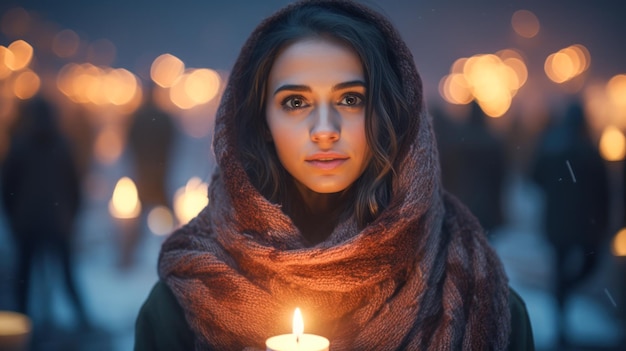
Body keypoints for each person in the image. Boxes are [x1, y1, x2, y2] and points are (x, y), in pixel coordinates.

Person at [135, 1, 534, 350]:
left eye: (350, 99)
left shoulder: (474, 297)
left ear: (390, 114)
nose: (325, 128)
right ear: (261, 122)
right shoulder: (183, 304)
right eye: (295, 102)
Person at [0, 96, 90, 329]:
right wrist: (70, 217)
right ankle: (82, 319)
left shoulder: (20, 146)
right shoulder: (63, 145)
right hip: (57, 221)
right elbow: (75, 187)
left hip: (28, 223)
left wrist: (15, 220)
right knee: (66, 275)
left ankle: (22, 325)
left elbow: (8, 188)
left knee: (24, 278)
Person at [530, 101, 609, 347]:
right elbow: (603, 192)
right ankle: (565, 298)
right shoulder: (591, 151)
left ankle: (561, 314)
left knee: (560, 269)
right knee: (588, 265)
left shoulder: (553, 149)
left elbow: (535, 177)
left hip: (558, 223)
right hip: (585, 224)